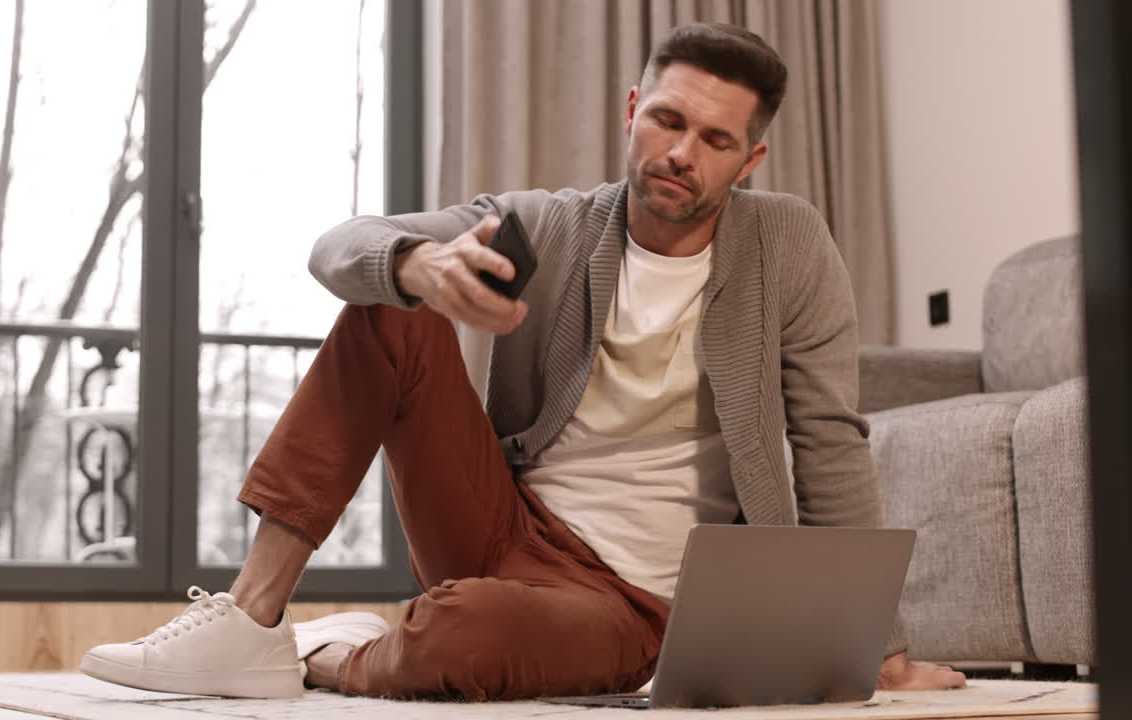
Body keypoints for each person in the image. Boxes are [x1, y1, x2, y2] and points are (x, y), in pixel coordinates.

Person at [80, 22, 969, 701]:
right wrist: (415, 265)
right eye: (665, 120)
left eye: (714, 139)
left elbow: (828, 441)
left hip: (637, 602)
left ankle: (333, 655)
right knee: (393, 310)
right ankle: (252, 619)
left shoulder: (788, 245)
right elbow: (338, 244)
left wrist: (876, 650)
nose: (678, 154)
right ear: (632, 111)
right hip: (504, 526)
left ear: (751, 159)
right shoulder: (549, 224)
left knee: (463, 636)